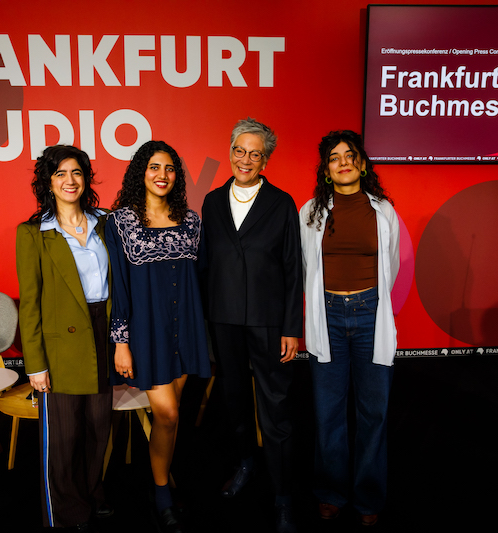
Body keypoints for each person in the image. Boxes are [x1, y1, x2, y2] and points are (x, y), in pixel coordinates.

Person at [201, 118, 303, 533]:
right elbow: (206, 264)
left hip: (268, 321)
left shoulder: (282, 203)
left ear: (266, 159)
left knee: (276, 410)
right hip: (223, 319)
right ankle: (246, 463)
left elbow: (294, 269)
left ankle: (282, 495)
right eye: (239, 150)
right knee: (234, 402)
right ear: (230, 151)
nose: (245, 159)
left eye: (255, 153)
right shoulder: (210, 201)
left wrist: (291, 327)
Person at [105, 140, 211, 533]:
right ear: (140, 173)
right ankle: (162, 493)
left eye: (169, 168)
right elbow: (120, 286)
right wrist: (121, 341)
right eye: (153, 167)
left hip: (186, 330)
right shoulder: (120, 223)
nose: (162, 175)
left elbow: (198, 279)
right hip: (146, 334)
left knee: (172, 415)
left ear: (177, 177)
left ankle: (161, 477)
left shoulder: (193, 221)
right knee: (166, 413)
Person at [299, 130, 400, 527]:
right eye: (334, 157)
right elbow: (307, 270)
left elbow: (388, 268)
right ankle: (330, 492)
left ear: (361, 163)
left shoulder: (383, 211)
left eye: (349, 155)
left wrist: (368, 303)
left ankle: (369, 497)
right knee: (328, 414)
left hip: (371, 314)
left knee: (373, 413)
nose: (342, 162)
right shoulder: (310, 212)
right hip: (327, 316)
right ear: (326, 170)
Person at [16, 144, 113, 530]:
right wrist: (35, 364)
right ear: (48, 182)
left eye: (76, 172)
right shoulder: (34, 233)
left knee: (98, 427)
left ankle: (91, 492)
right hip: (61, 345)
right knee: (64, 437)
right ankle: (67, 512)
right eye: (60, 174)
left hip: (104, 333)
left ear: (86, 178)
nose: (70, 181)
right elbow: (30, 304)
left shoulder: (107, 222)